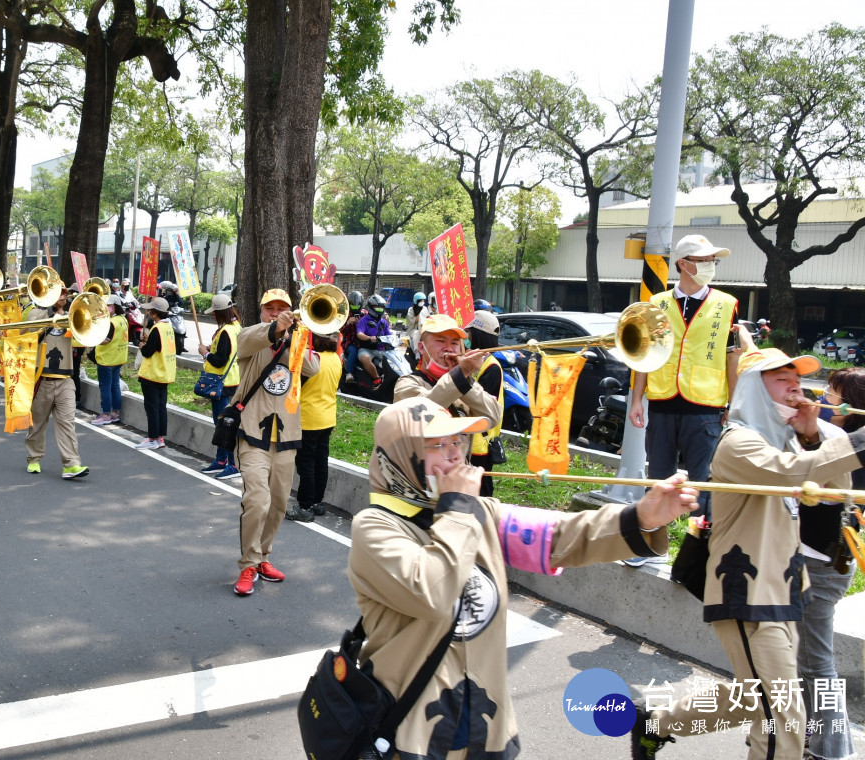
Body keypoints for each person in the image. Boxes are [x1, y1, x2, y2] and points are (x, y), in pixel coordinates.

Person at [350, 397, 695, 760]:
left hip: (487, 725)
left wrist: (642, 516)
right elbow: (431, 591)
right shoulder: (375, 528)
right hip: (410, 734)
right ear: (402, 456)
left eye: (458, 442)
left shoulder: (476, 512)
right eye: (436, 445)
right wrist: (458, 509)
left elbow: (560, 536)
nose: (454, 455)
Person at [631, 344, 865, 760]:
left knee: (755, 697)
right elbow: (794, 474)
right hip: (748, 591)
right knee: (783, 716)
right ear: (755, 389)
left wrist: (812, 435)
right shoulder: (739, 442)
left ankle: (656, 721)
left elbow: (832, 489)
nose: (796, 390)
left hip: (786, 588)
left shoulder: (788, 441)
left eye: (798, 382)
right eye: (783, 382)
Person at [629, 234, 739, 519]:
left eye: (711, 261)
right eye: (703, 261)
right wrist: (637, 400)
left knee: (702, 482)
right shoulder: (657, 303)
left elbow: (731, 357)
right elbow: (644, 354)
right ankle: (651, 538)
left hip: (706, 406)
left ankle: (700, 546)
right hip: (663, 402)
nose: (710, 265)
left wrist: (732, 405)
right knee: (658, 479)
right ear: (683, 264)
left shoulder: (727, 304)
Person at [231, 289, 320, 597]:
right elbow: (249, 339)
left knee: (279, 503)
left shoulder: (295, 341)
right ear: (262, 311)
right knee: (257, 499)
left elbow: (312, 368)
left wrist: (297, 336)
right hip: (253, 433)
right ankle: (248, 563)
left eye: (283, 308)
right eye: (271, 308)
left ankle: (263, 557)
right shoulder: (251, 338)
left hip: (286, 436)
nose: (277, 312)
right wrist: (276, 329)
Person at [795, 367, 860, 760]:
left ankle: (832, 752)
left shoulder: (843, 444)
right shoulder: (842, 441)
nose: (823, 402)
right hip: (822, 562)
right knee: (805, 663)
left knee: (817, 665)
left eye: (832, 396)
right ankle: (812, 739)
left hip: (821, 565)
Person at [392, 313, 501, 456]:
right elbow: (426, 412)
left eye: (455, 343)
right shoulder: (407, 383)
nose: (449, 348)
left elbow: (493, 416)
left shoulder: (462, 385)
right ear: (421, 347)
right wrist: (460, 375)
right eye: (440, 341)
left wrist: (465, 379)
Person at [23, 290, 89, 479]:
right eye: (59, 293)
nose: (63, 296)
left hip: (65, 381)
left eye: (65, 294)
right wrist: (51, 313)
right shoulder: (37, 313)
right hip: (41, 380)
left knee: (67, 423)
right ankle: (34, 458)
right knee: (37, 424)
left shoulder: (73, 318)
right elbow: (29, 333)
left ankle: (71, 464)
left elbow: (86, 341)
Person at [288, 333, 342, 522]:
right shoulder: (335, 358)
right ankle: (317, 503)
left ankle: (304, 507)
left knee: (306, 465)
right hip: (328, 417)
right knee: (321, 462)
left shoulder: (312, 358)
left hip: (309, 418)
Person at [197, 294, 241, 477]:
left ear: (218, 313)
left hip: (221, 383)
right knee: (224, 424)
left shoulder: (225, 332)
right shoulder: (237, 327)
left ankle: (232, 464)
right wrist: (210, 350)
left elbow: (220, 360)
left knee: (224, 425)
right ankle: (221, 460)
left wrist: (205, 354)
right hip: (232, 381)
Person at [136, 297, 175, 450]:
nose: (149, 312)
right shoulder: (168, 327)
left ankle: (152, 438)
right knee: (160, 407)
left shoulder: (157, 329)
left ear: (155, 313)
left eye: (151, 310)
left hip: (152, 374)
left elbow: (147, 351)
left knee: (152, 407)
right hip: (164, 373)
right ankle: (160, 438)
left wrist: (141, 345)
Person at [91, 294, 129, 426]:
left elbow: (106, 340)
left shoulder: (111, 322)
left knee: (105, 387)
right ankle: (115, 413)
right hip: (118, 359)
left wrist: (93, 339)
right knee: (115, 386)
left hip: (107, 360)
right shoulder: (123, 319)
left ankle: (105, 415)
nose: (105, 308)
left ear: (114, 307)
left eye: (108, 305)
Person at [356, 294, 392, 387]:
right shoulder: (363, 320)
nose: (380, 309)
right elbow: (359, 334)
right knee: (365, 359)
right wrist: (369, 337)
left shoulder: (383, 322)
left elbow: (389, 334)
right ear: (371, 308)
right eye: (377, 307)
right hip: (366, 349)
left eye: (381, 307)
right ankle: (376, 379)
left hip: (381, 349)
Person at [340, 290, 365, 380]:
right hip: (349, 342)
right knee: (354, 351)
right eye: (353, 306)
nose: (355, 308)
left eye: (357, 306)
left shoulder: (364, 314)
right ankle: (349, 373)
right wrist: (348, 323)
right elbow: (341, 330)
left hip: (364, 342)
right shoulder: (345, 315)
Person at [406, 292, 429, 366]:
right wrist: (420, 312)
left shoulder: (425, 309)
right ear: (416, 301)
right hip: (413, 330)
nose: (422, 302)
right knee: (417, 333)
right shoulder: (411, 310)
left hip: (423, 329)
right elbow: (414, 321)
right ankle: (417, 352)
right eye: (421, 301)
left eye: (423, 301)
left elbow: (428, 318)